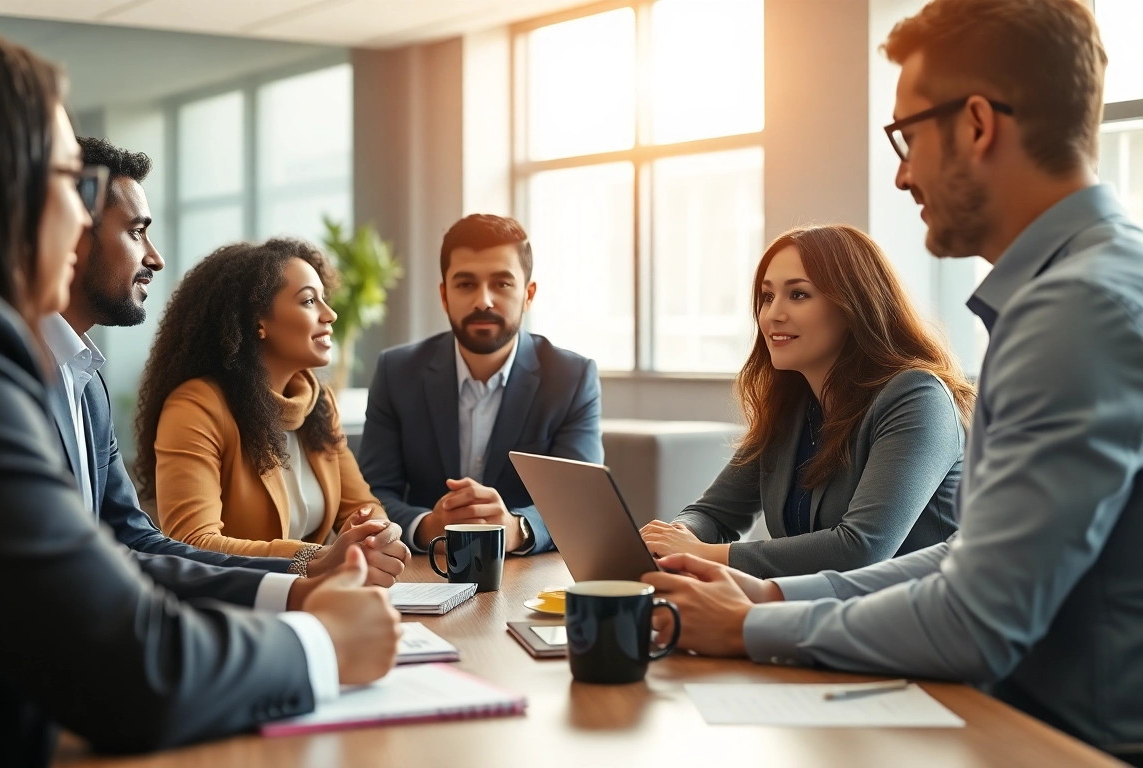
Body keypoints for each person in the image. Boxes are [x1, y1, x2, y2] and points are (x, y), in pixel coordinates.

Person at [0, 21, 399, 766]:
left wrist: (291, 592)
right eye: (72, 183)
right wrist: (321, 645)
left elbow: (110, 558)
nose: (85, 219)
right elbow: (131, 667)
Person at [641, 1, 1143, 762]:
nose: (903, 174)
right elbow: (973, 556)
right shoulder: (1080, 287)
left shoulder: (1074, 310)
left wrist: (748, 625)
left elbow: (975, 617)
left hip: (1069, 742)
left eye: (908, 136)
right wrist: (770, 595)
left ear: (977, 124)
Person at [41, 137, 406, 600]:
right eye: (136, 232)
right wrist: (308, 566)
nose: (155, 257)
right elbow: (181, 544)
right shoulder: (193, 405)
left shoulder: (86, 381)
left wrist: (371, 536)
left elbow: (135, 542)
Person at [639, 224, 973, 578]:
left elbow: (862, 547)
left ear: (851, 306)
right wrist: (675, 537)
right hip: (817, 618)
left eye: (797, 295)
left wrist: (702, 555)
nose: (772, 314)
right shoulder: (793, 407)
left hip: (914, 626)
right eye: (767, 297)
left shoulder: (917, 397)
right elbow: (715, 513)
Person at [136, 239, 404, 573]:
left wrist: (377, 533)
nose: (330, 314)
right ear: (257, 321)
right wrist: (315, 559)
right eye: (308, 300)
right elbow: (194, 543)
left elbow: (361, 506)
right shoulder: (195, 408)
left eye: (324, 298)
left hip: (315, 599)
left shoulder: (318, 403)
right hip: (235, 607)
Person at [358, 214, 604, 555]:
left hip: (528, 575)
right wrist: (426, 525)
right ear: (444, 296)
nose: (483, 301)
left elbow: (579, 501)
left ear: (528, 294)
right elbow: (370, 493)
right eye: (465, 284)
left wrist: (517, 528)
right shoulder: (396, 372)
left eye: (502, 284)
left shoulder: (571, 378)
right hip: (422, 569)